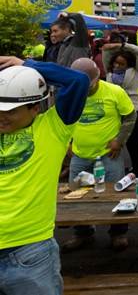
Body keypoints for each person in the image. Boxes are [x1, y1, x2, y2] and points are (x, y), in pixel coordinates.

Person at [0, 56, 89, 295]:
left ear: (35, 107)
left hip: (29, 250)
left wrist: (28, 66)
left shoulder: (53, 128)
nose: (2, 116)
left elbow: (78, 81)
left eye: (11, 110)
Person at [63, 58, 137, 252]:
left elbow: (130, 116)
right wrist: (67, 143)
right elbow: (63, 121)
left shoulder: (114, 92)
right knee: (76, 196)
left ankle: (118, 232)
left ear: (97, 79)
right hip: (80, 154)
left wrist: (120, 140)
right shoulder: (70, 94)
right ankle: (83, 233)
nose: (84, 89)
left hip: (108, 154)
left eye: (87, 85)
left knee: (115, 194)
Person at [102, 37, 138, 174]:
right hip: (114, 112)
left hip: (132, 111)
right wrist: (114, 47)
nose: (117, 66)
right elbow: (105, 50)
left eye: (121, 64)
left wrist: (123, 45)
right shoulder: (110, 71)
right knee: (113, 145)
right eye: (116, 63)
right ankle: (117, 171)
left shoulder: (136, 71)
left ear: (129, 64)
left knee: (133, 146)